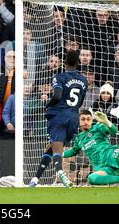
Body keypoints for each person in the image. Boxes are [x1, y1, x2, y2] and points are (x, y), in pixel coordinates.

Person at [29, 50, 87, 188]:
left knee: (56, 149)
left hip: (59, 116)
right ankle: (35, 179)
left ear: (64, 63)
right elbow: (81, 101)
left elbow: (57, 96)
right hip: (73, 117)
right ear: (78, 63)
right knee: (52, 147)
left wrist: (47, 105)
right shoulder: (84, 80)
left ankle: (61, 173)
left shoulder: (59, 77)